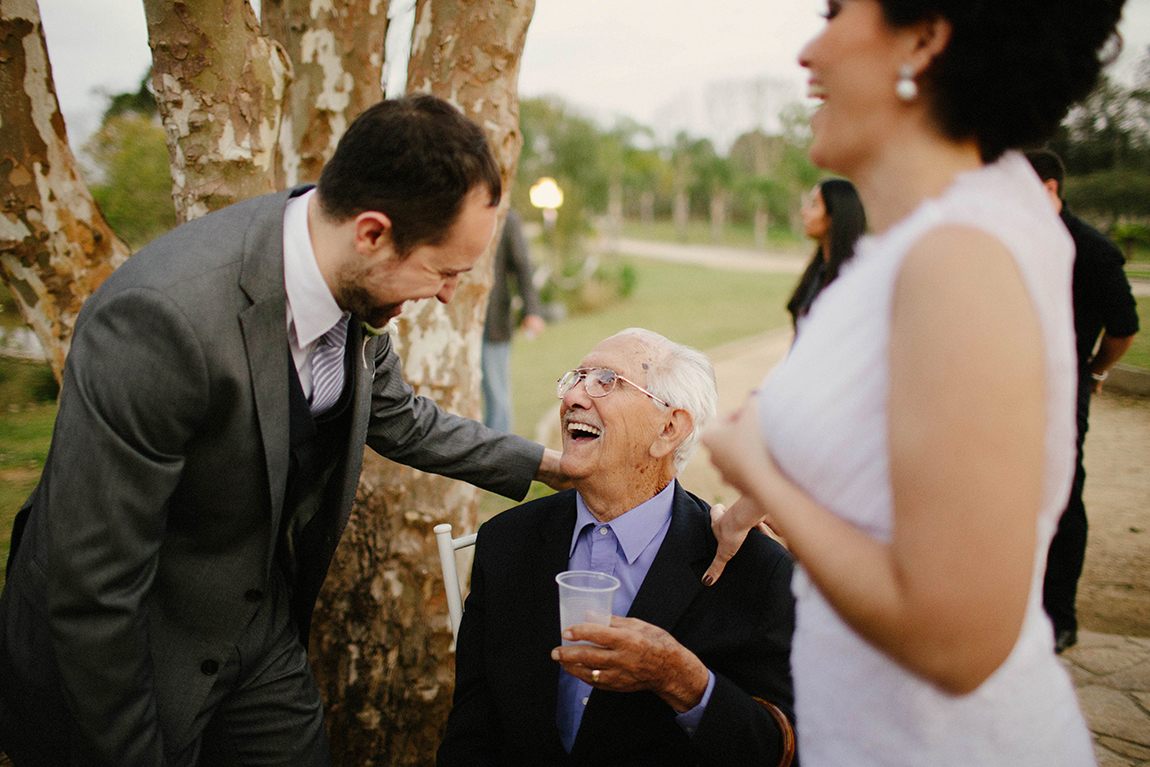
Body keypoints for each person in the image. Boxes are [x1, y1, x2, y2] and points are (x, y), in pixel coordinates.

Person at [0, 94, 567, 767]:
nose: (446, 294)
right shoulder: (161, 319)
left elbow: (401, 417)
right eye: (443, 271)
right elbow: (94, 585)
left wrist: (555, 466)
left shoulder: (357, 287)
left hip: (258, 621)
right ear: (372, 232)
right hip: (135, 637)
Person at [700, 1, 1125, 765]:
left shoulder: (961, 255)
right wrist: (751, 506)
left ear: (926, 36)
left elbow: (957, 640)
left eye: (835, 12)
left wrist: (761, 469)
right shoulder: (934, 228)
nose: (808, 49)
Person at [438, 328, 796, 767]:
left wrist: (682, 680)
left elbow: (776, 752)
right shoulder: (505, 542)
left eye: (606, 380)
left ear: (668, 428)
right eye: (575, 377)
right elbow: (472, 732)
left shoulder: (753, 568)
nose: (573, 397)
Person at [1025, 148, 1140, 654]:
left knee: (1063, 498)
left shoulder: (1093, 250)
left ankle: (1059, 616)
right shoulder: (1010, 242)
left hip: (1061, 389)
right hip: (1002, 387)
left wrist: (1095, 369)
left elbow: (1123, 327)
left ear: (1050, 189)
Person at [481, 208, 546, 433]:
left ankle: (497, 457)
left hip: (492, 323)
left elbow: (522, 267)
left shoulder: (506, 217)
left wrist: (532, 311)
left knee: (496, 394)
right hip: (453, 326)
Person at [786, 178, 867, 331]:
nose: (804, 212)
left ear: (834, 216)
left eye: (814, 205)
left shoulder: (853, 280)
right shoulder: (819, 269)